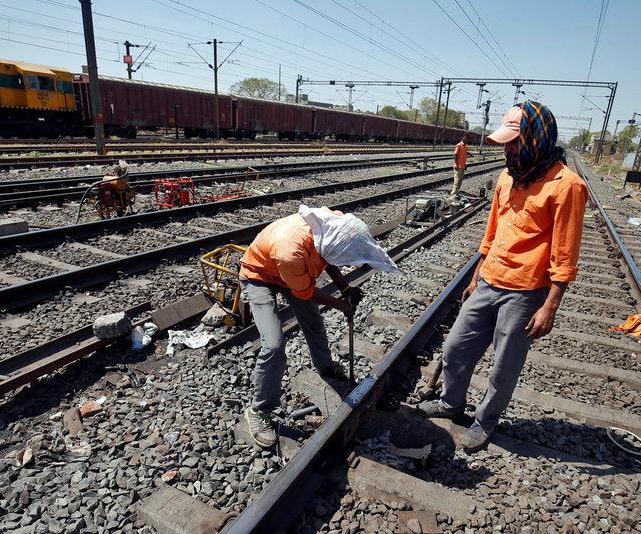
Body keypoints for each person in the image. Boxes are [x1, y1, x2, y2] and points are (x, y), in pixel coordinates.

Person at [418, 101, 588, 451]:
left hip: (525, 293)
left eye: (514, 142)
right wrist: (475, 276)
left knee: (504, 366)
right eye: (506, 143)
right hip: (488, 280)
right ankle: (451, 404)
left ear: (536, 139)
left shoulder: (566, 186)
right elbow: (492, 233)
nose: (508, 150)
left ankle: (486, 420)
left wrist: (550, 306)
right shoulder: (507, 176)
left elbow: (565, 254)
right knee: (455, 349)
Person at [240, 205, 399, 448]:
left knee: (313, 323)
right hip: (259, 275)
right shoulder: (291, 252)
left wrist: (344, 287)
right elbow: (305, 292)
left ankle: (326, 368)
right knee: (273, 344)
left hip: (289, 272)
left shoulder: (331, 224)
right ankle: (259, 410)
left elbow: (328, 259)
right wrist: (339, 304)